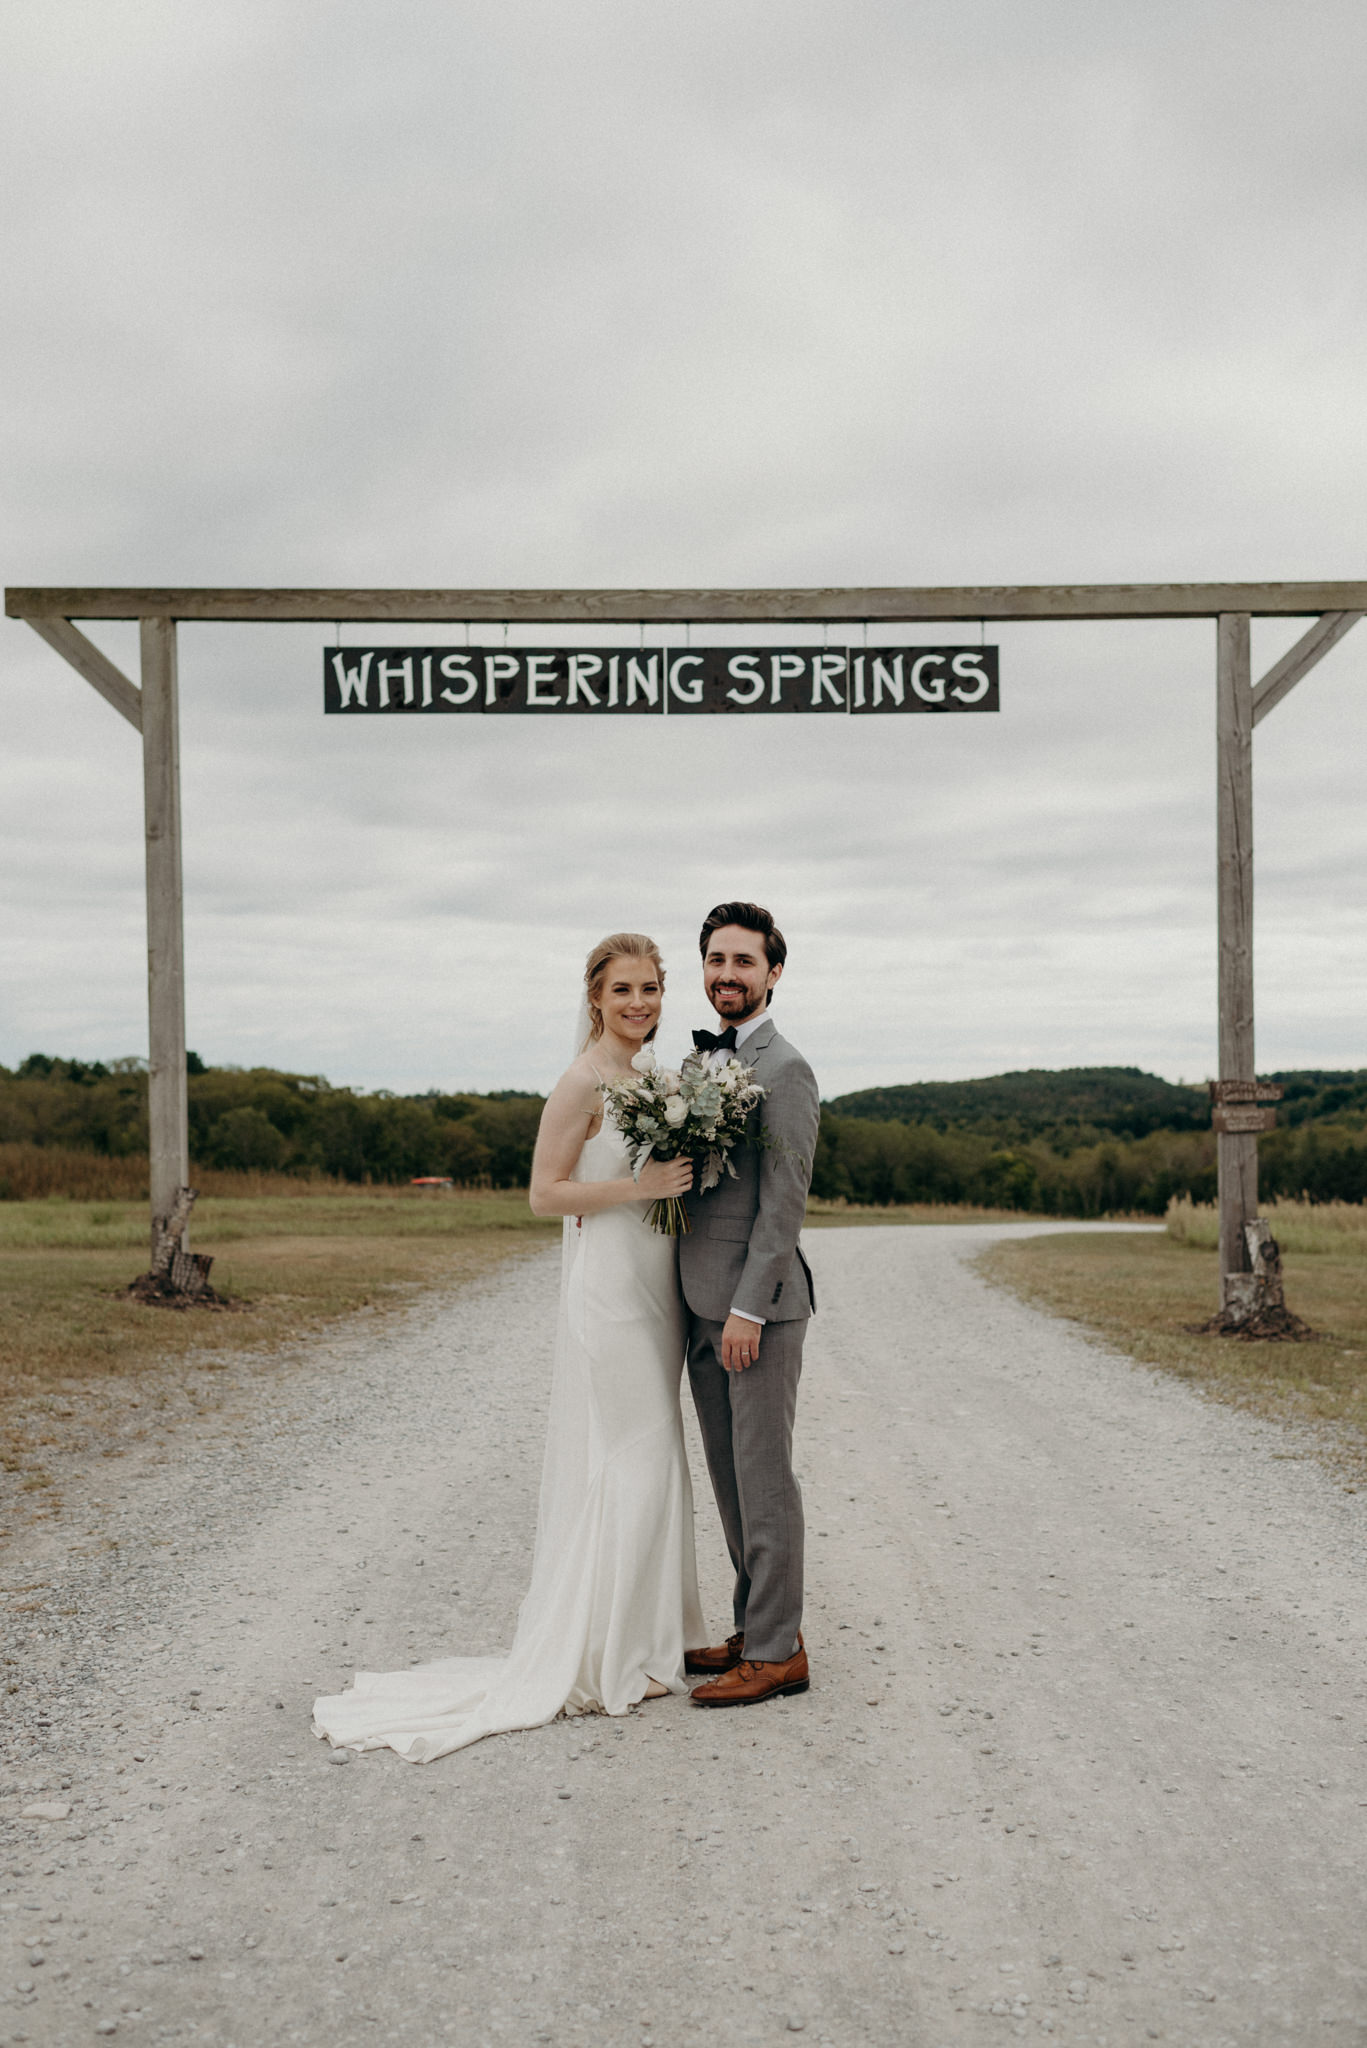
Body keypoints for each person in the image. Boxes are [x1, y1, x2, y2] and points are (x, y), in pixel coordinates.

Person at [312, 933, 705, 1762]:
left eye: (651, 989)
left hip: (656, 1282)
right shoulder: (580, 1082)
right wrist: (638, 1187)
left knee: (656, 1451)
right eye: (623, 989)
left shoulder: (658, 1081)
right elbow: (542, 1195)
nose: (639, 1002)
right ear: (594, 997)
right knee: (631, 1453)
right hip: (609, 1289)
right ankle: (608, 1652)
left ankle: (651, 1636)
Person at [680, 902, 820, 1707]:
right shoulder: (702, 1064)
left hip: (752, 1311)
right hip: (698, 1302)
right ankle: (755, 1625)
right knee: (730, 1480)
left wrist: (749, 1310)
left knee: (765, 1480)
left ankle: (776, 1654)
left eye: (743, 961)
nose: (726, 974)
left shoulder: (785, 1069)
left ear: (772, 973)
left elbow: (782, 1204)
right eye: (714, 960)